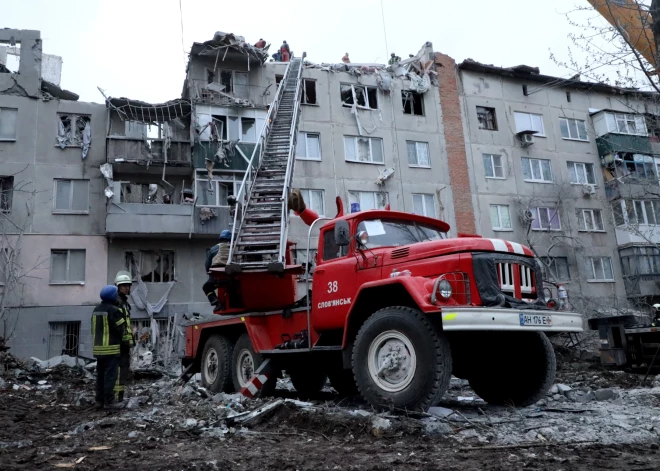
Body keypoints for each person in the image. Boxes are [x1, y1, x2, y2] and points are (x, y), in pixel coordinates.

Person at [92, 285, 127, 409]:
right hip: (111, 349)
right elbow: (121, 329)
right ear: (113, 296)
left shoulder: (96, 309)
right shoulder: (114, 310)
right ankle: (109, 402)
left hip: (98, 350)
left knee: (100, 376)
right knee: (110, 377)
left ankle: (99, 401)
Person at [114, 271, 134, 402]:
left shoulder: (124, 302)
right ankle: (117, 397)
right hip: (120, 344)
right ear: (118, 287)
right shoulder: (117, 302)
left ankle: (119, 396)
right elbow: (119, 325)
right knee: (119, 371)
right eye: (123, 285)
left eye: (128, 285)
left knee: (123, 371)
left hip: (125, 344)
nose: (127, 288)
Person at [203, 230, 232, 310]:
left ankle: (216, 302)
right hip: (231, 276)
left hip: (217, 277)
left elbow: (207, 263)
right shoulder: (234, 248)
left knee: (206, 287)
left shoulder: (214, 248)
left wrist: (209, 274)